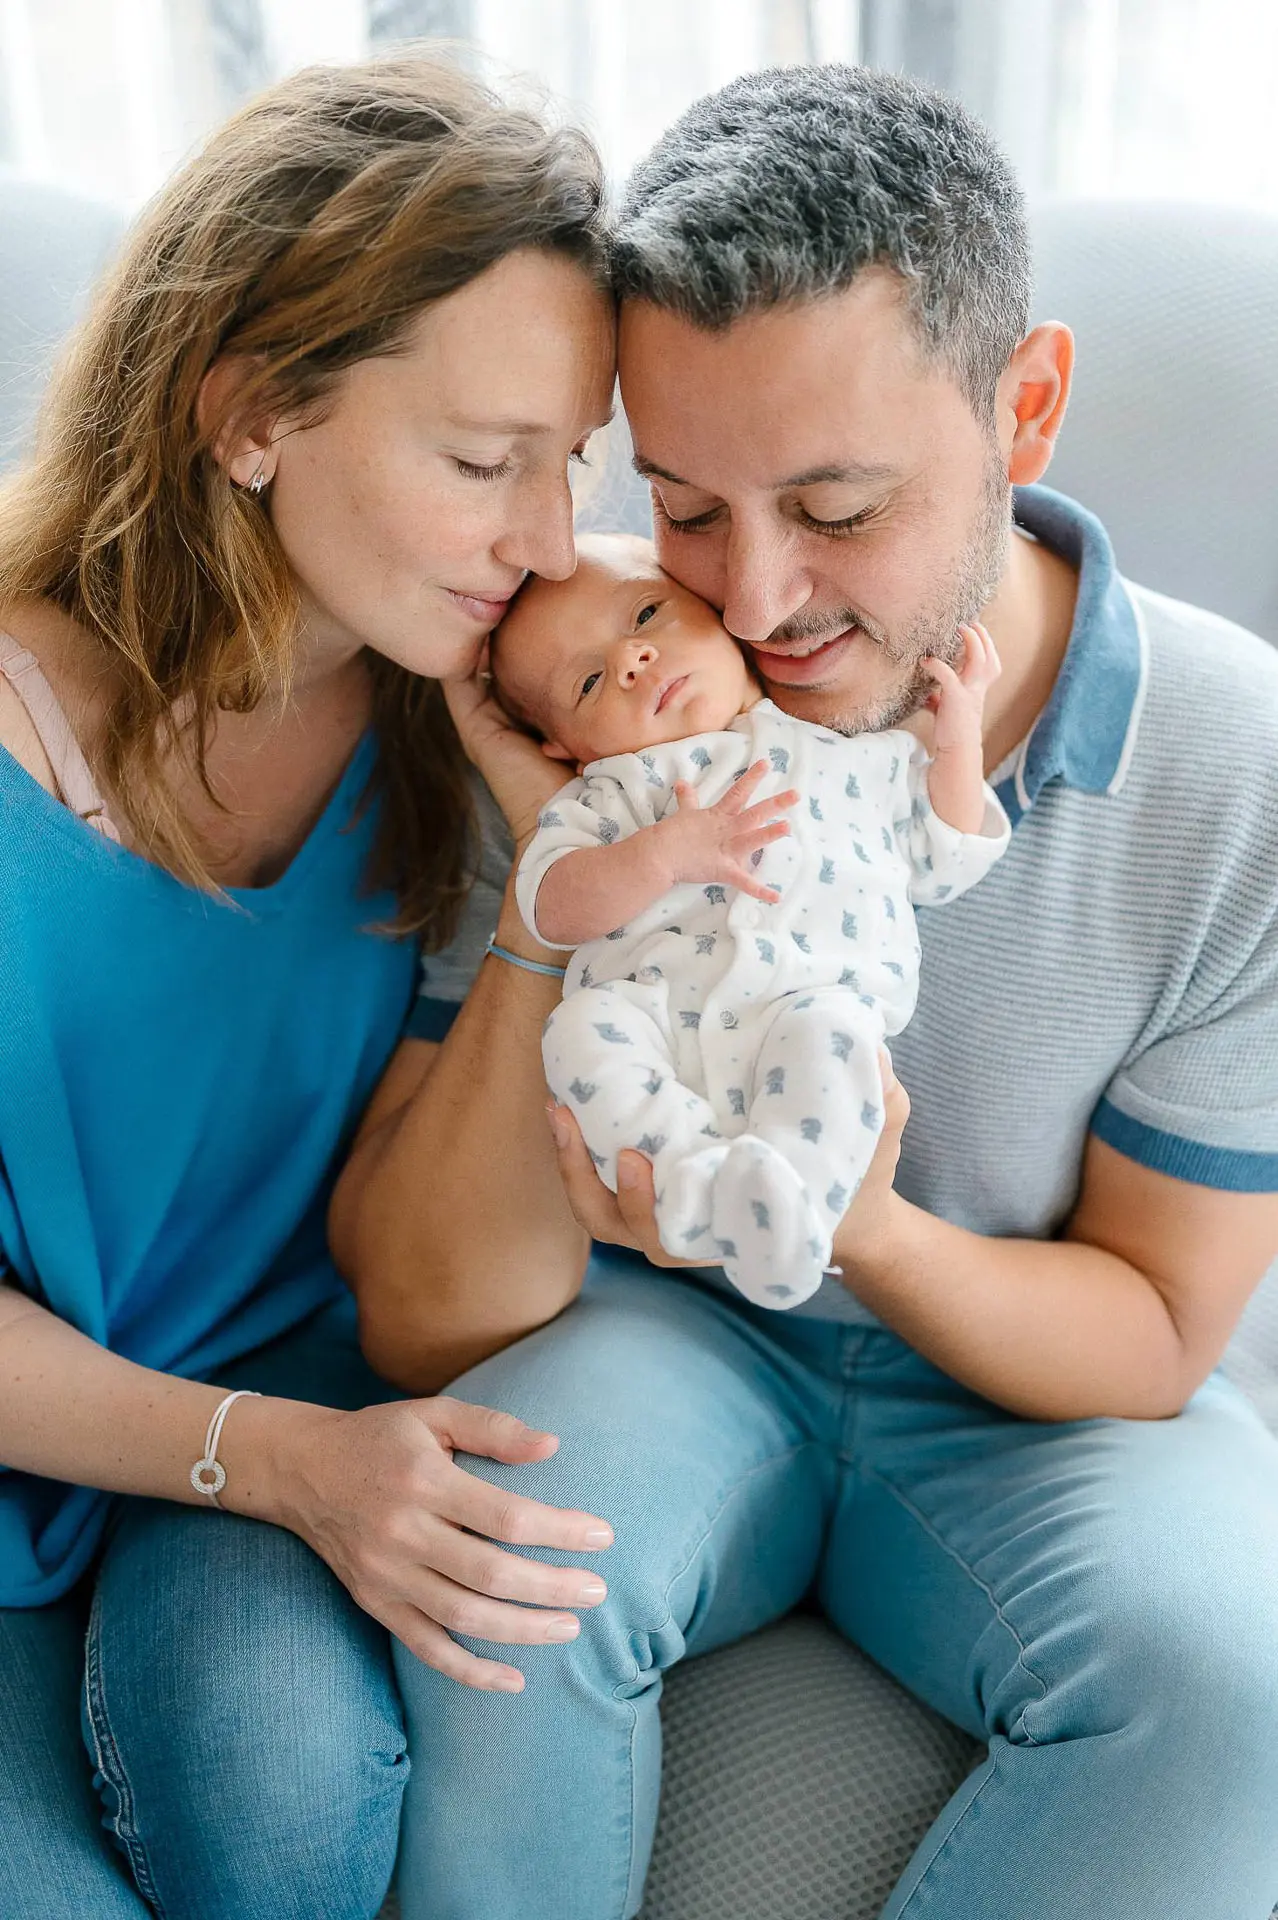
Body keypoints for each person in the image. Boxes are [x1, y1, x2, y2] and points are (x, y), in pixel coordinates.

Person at [340, 63, 1278, 1920]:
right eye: (682, 504)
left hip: (1019, 1395)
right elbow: (425, 1322)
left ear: (1022, 406)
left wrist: (859, 1234)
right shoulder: (599, 687)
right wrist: (548, 883)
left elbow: (1157, 1331)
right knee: (498, 1579)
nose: (753, 602)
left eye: (833, 508)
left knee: (1235, 1692)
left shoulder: (1229, 768)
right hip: (664, 1342)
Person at [0, 55, 622, 1920]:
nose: (543, 537)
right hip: (99, 1419)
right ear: (253, 411)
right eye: (479, 458)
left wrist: (548, 901)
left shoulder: (479, 712)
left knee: (281, 1831)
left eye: (567, 458)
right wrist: (273, 1463)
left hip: (290, 1374)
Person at [491, 533, 1008, 1304]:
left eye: (646, 612)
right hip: (657, 1021)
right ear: (564, 747)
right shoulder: (613, 793)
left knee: (839, 1049)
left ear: (717, 615)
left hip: (809, 1004)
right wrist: (659, 856)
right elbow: (552, 908)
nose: (632, 660)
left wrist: (957, 736)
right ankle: (702, 1189)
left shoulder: (851, 751)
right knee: (580, 1030)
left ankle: (789, 1206)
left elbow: (948, 859)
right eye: (592, 682)